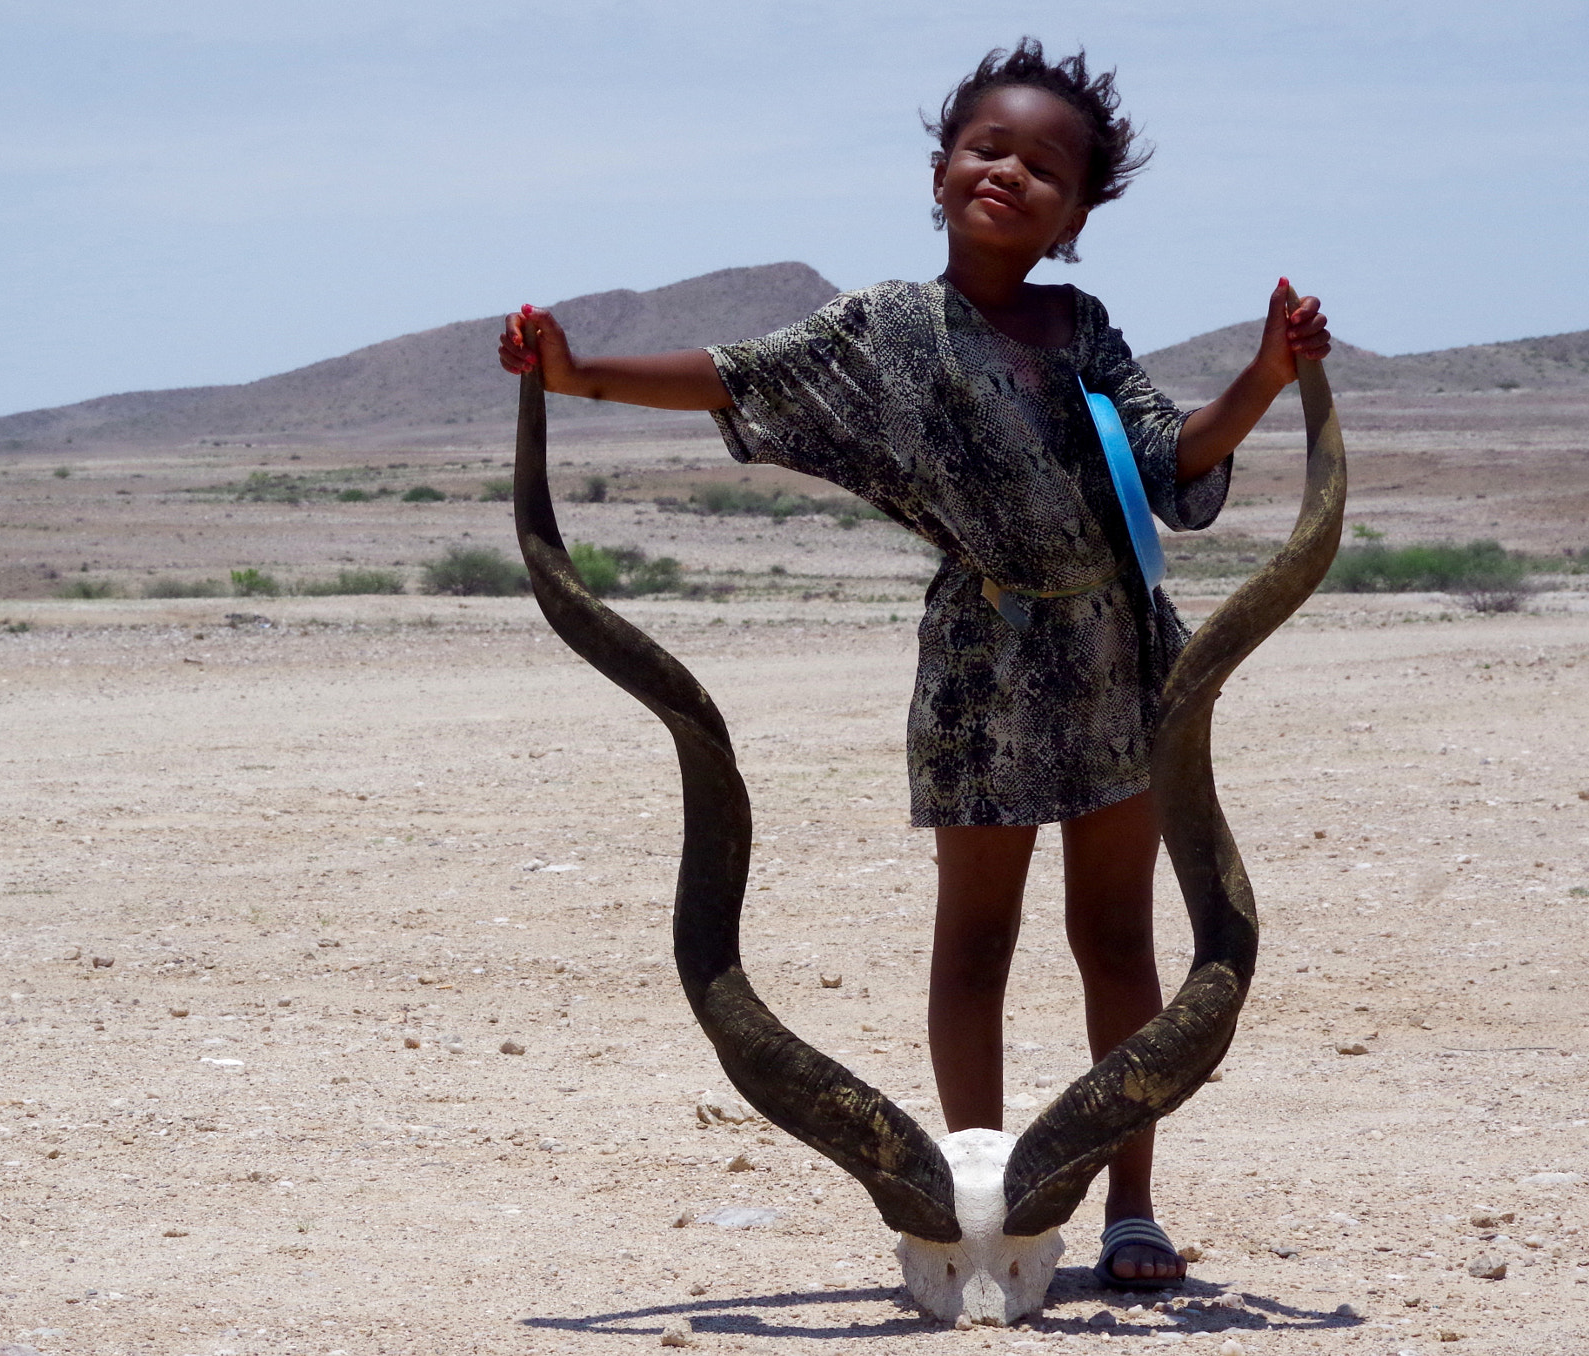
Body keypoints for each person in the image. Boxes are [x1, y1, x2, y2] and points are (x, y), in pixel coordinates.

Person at [498, 38, 1330, 1288]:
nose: (1009, 171)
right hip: (976, 671)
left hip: (1118, 657)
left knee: (1116, 938)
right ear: (941, 169)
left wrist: (1267, 374)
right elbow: (732, 378)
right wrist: (575, 375)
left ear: (1077, 216)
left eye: (1046, 166)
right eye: (988, 147)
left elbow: (1173, 466)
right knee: (974, 940)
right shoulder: (878, 331)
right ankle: (973, 1202)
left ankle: (1129, 1210)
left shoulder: (1079, 325)